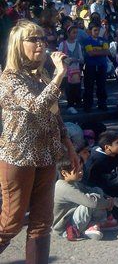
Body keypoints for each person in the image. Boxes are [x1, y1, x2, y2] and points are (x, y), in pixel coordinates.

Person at [0, 20, 80, 262]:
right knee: (11, 222)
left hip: (45, 155)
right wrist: (59, 75)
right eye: (33, 39)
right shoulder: (10, 78)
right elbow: (36, 106)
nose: (40, 44)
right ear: (18, 44)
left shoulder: (41, 76)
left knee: (42, 222)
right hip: (18, 157)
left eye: (42, 39)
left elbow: (54, 115)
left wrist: (69, 147)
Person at [52, 157, 118, 241]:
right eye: (77, 170)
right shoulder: (63, 187)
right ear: (64, 173)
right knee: (91, 202)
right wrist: (108, 203)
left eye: (81, 169)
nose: (81, 172)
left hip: (73, 217)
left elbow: (90, 190)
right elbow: (91, 202)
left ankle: (95, 224)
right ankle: (97, 223)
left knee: (96, 191)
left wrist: (107, 197)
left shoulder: (73, 182)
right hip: (65, 227)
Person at [82, 22, 110, 112]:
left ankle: (102, 104)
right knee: (89, 86)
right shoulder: (87, 41)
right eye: (95, 30)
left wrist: (96, 51)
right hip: (90, 66)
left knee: (102, 85)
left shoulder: (103, 40)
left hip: (102, 65)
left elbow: (107, 52)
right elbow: (90, 53)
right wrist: (101, 51)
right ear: (90, 31)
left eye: (98, 30)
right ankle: (88, 106)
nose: (97, 32)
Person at [58, 25, 84, 115]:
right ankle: (70, 105)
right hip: (66, 71)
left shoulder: (78, 45)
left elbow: (81, 58)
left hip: (75, 70)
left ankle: (77, 103)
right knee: (68, 88)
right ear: (68, 34)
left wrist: (75, 59)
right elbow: (59, 57)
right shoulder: (63, 44)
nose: (75, 34)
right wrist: (66, 60)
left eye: (76, 33)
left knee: (76, 87)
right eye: (73, 32)